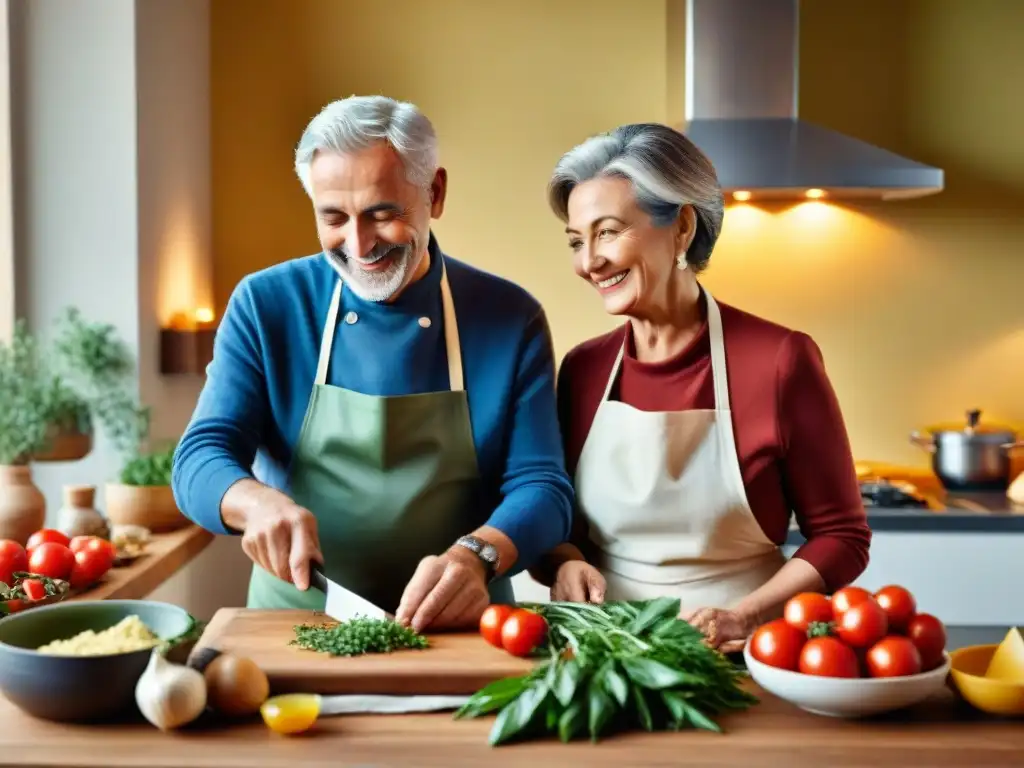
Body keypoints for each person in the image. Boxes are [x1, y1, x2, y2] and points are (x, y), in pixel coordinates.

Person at [171, 95, 573, 632]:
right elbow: (201, 454)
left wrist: (476, 555)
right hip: (298, 620)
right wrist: (254, 502)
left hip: (460, 623)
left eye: (383, 215)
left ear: (435, 192)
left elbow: (542, 485)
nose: (358, 245)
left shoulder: (510, 316)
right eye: (333, 217)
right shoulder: (267, 304)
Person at [531, 123, 871, 653]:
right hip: (601, 655)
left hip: (741, 655)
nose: (588, 261)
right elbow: (556, 519)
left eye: (608, 231)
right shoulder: (583, 369)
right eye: (577, 240)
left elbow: (843, 539)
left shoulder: (780, 360)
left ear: (682, 228)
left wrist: (744, 616)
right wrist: (565, 560)